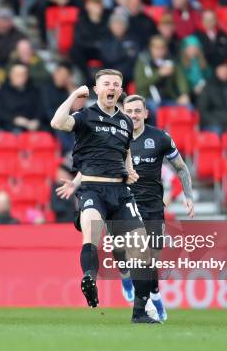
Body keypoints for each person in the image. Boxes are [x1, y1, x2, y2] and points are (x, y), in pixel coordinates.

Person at [56, 94, 194, 322]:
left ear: (145, 114)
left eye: (138, 111)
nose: (133, 115)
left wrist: (187, 195)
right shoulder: (115, 135)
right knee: (120, 250)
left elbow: (179, 167)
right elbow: (97, 165)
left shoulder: (159, 138)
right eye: (129, 111)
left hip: (152, 206)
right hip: (123, 199)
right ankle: (127, 280)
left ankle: (154, 297)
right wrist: (76, 183)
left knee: (150, 260)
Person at [50, 69, 157, 324]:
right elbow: (57, 122)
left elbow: (126, 151)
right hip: (92, 189)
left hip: (119, 192)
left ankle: (140, 313)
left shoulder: (126, 122)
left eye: (116, 85)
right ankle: (89, 278)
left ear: (120, 91)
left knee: (141, 247)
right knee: (91, 230)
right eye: (106, 83)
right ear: (97, 89)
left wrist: (129, 169)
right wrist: (75, 95)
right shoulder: (85, 115)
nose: (111, 88)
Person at [134, 35, 190, 121]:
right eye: (157, 48)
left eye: (162, 48)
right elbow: (140, 84)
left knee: (188, 107)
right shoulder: (143, 61)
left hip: (168, 98)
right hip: (148, 98)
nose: (160, 51)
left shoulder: (170, 61)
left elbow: (180, 78)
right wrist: (159, 73)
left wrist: (184, 93)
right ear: (151, 48)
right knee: (156, 111)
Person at [0, 62, 44, 132]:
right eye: (17, 75)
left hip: (32, 127)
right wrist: (14, 119)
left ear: (27, 76)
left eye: (23, 74)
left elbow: (40, 109)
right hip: (9, 128)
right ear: (11, 75)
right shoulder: (2, 92)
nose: (20, 77)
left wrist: (36, 120)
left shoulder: (34, 91)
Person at [179, 35, 211, 102]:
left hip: (204, 90)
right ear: (185, 49)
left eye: (195, 47)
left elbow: (209, 77)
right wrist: (193, 89)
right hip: (188, 93)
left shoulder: (203, 63)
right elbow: (181, 82)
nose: (193, 50)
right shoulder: (180, 64)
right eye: (190, 48)